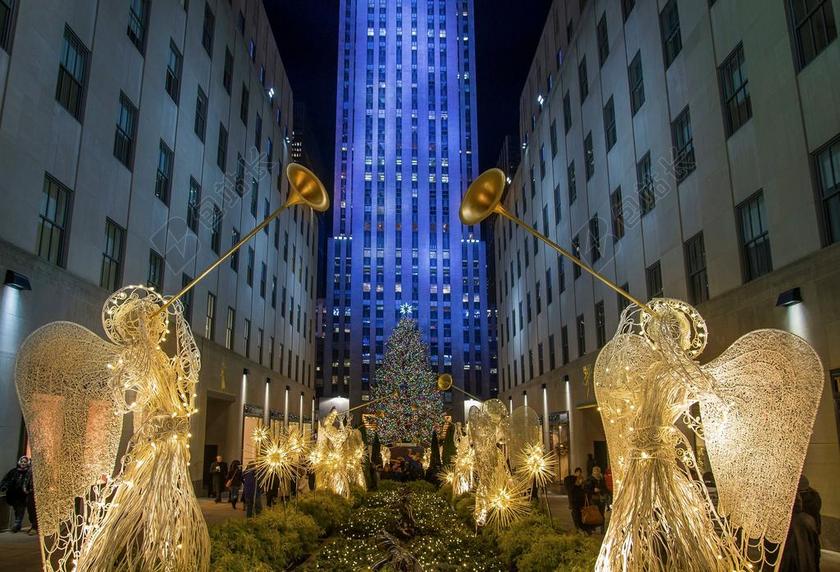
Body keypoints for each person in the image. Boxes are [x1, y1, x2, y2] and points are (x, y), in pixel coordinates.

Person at [780, 494, 820, 571]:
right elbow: (815, 544)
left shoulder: (785, 521)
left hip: (789, 559)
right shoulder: (809, 520)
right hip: (805, 558)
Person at [0, 457, 37, 534]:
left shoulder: (29, 472)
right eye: (22, 462)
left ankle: (18, 523)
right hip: (14, 495)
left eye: (25, 462)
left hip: (24, 495)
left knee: (22, 509)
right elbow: (6, 479)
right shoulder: (13, 471)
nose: (23, 463)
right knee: (17, 509)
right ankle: (18, 523)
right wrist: (4, 486)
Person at [563, 467, 587, 533]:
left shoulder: (581, 479)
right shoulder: (570, 479)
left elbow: (583, 489)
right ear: (575, 472)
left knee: (580, 513)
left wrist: (582, 484)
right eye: (578, 472)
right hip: (573, 500)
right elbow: (569, 489)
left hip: (580, 500)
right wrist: (576, 484)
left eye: (580, 472)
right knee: (575, 513)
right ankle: (577, 527)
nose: (579, 474)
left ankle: (580, 527)